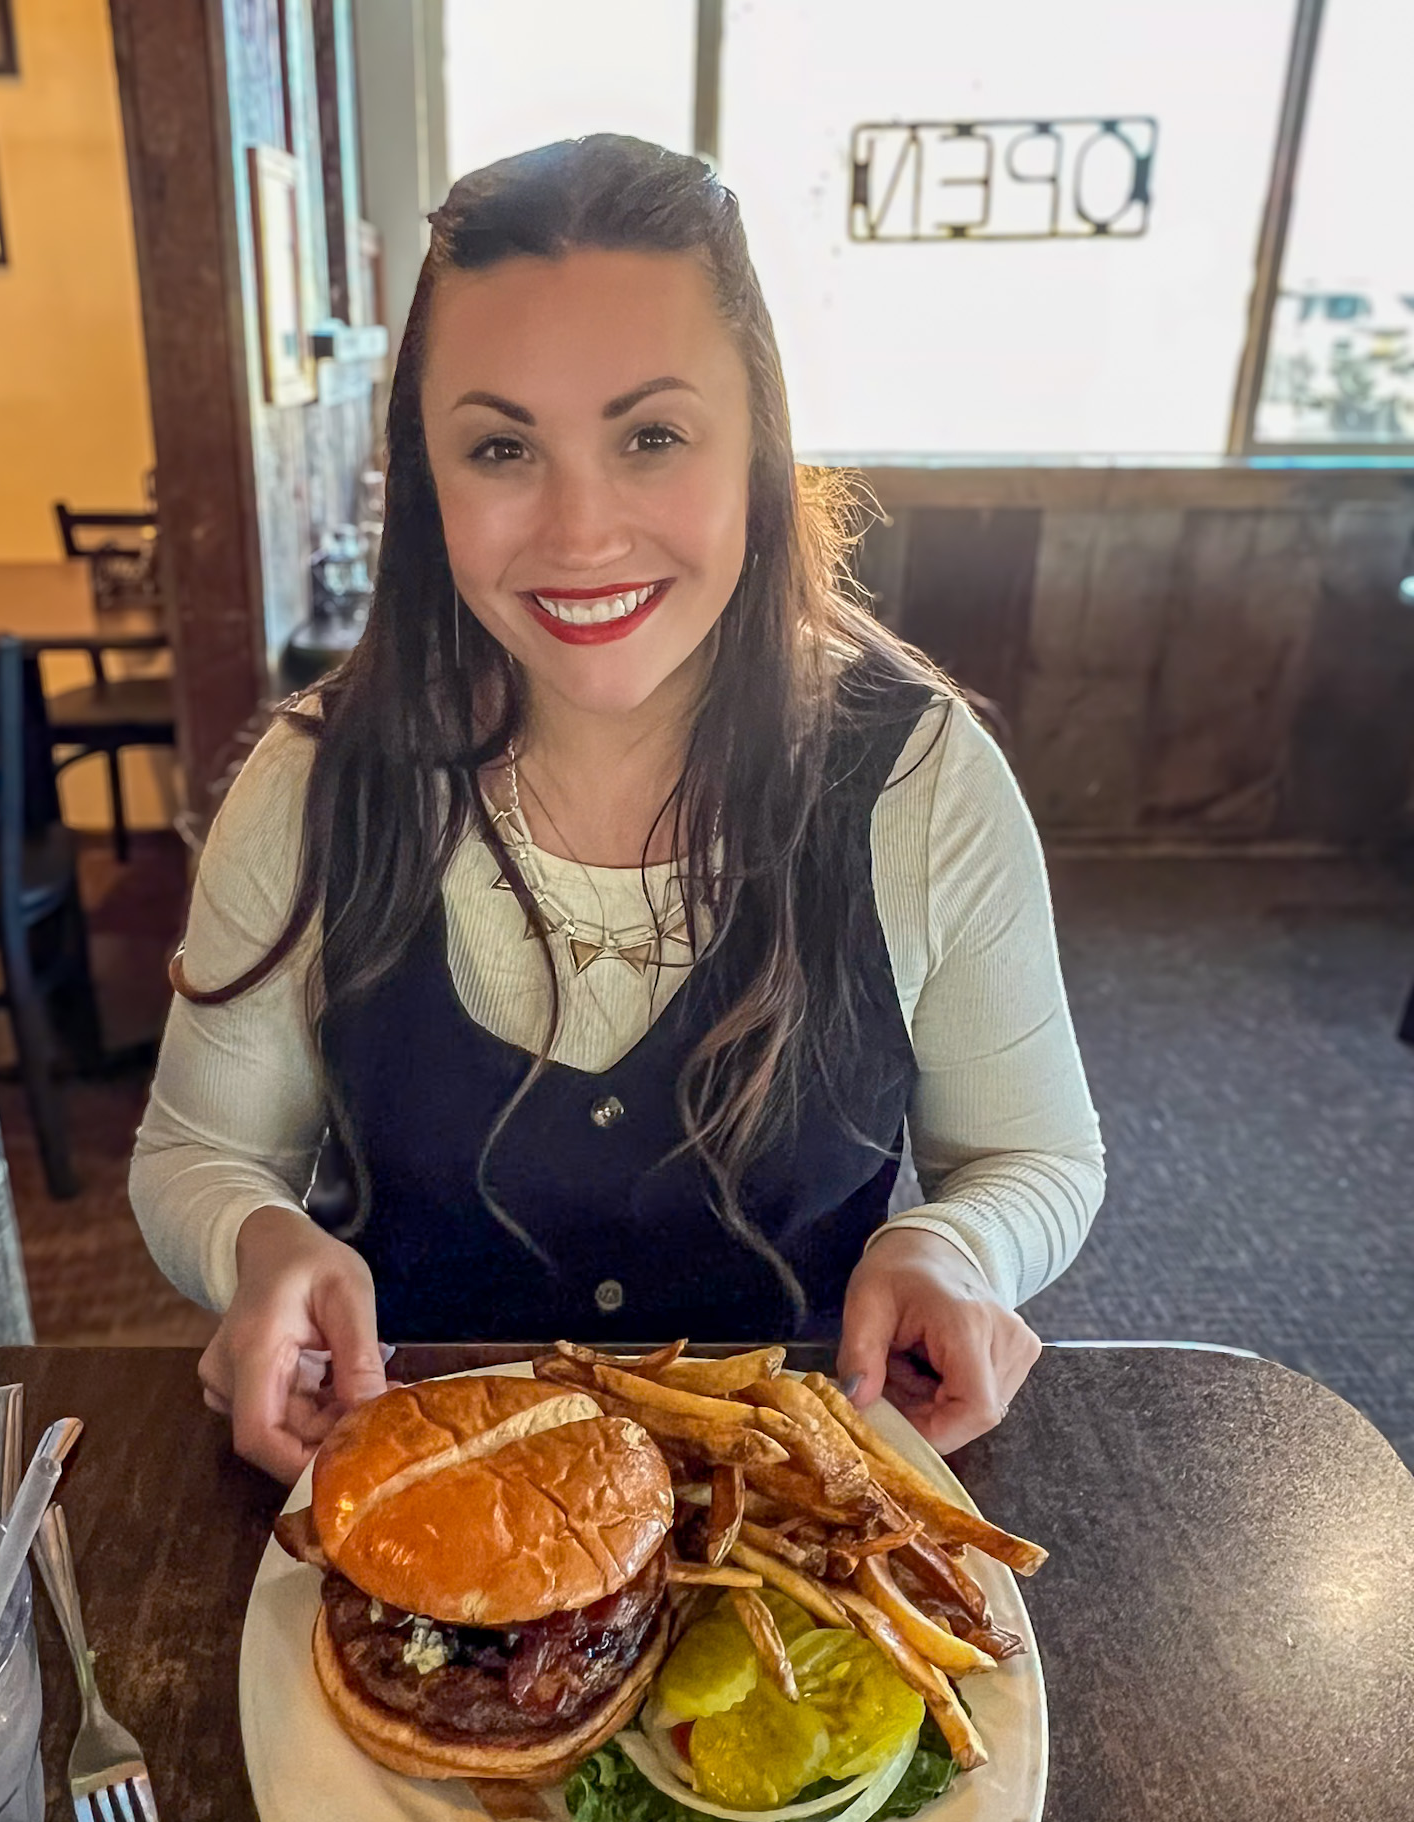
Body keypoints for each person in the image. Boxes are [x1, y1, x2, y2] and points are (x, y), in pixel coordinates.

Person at [130, 135, 1104, 1486]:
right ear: (426, 475)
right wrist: (258, 1241)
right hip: (421, 1495)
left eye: (652, 436)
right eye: (500, 447)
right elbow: (199, 1152)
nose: (581, 534)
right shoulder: (314, 782)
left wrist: (955, 1244)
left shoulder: (919, 776)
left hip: (792, 1498)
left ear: (757, 446)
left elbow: (1032, 1152)